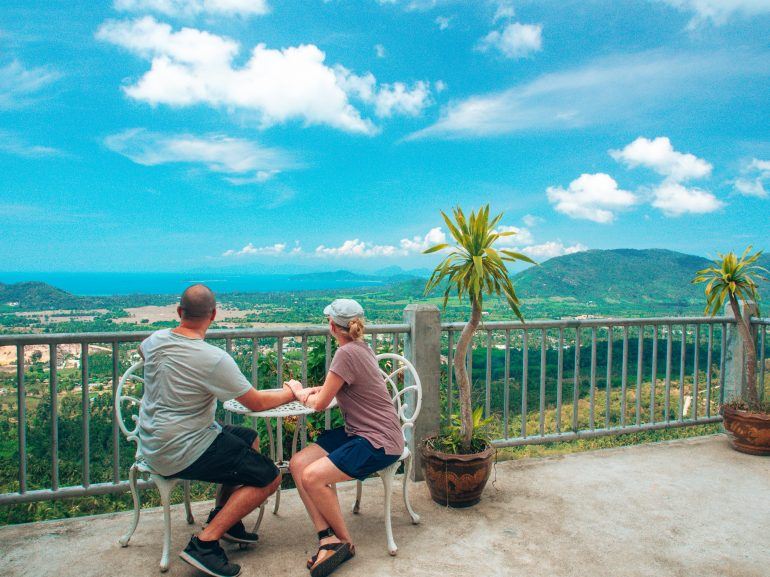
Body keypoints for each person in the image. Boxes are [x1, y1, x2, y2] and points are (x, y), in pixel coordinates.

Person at [138, 284, 296, 577]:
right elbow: (257, 402)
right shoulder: (212, 358)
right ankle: (206, 543)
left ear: (179, 312)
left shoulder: (155, 340)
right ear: (213, 315)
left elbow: (143, 351)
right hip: (183, 448)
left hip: (150, 441)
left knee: (249, 438)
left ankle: (224, 518)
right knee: (270, 476)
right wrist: (291, 391)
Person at [286, 298, 405, 577]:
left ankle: (345, 543)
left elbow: (317, 404)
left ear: (331, 325)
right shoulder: (359, 348)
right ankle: (325, 536)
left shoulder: (346, 353)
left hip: (379, 441)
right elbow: (332, 386)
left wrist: (297, 390)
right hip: (360, 431)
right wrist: (312, 390)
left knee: (313, 476)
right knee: (298, 464)